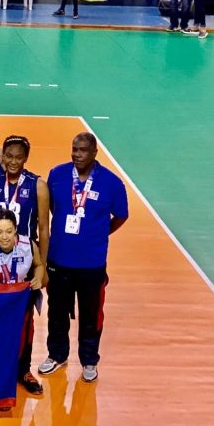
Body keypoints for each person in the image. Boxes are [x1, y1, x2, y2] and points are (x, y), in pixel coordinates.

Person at [38, 132, 128, 383]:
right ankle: (57, 355)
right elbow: (53, 207)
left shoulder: (112, 183)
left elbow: (121, 216)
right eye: (74, 149)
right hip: (59, 259)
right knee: (57, 312)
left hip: (92, 263)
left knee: (91, 315)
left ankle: (89, 360)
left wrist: (100, 232)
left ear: (94, 153)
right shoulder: (57, 175)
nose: (77, 154)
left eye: (83, 150)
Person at [0, 209, 45, 395]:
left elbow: (39, 265)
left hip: (21, 299)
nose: (4, 237)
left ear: (16, 230)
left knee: (25, 335)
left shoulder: (28, 244)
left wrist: (38, 277)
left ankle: (24, 371)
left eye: (9, 231)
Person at [0, 136, 50, 265]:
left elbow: (43, 228)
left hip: (26, 253)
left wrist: (42, 264)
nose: (13, 162)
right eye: (9, 156)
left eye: (19, 157)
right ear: (3, 155)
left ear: (26, 158)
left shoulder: (38, 185)